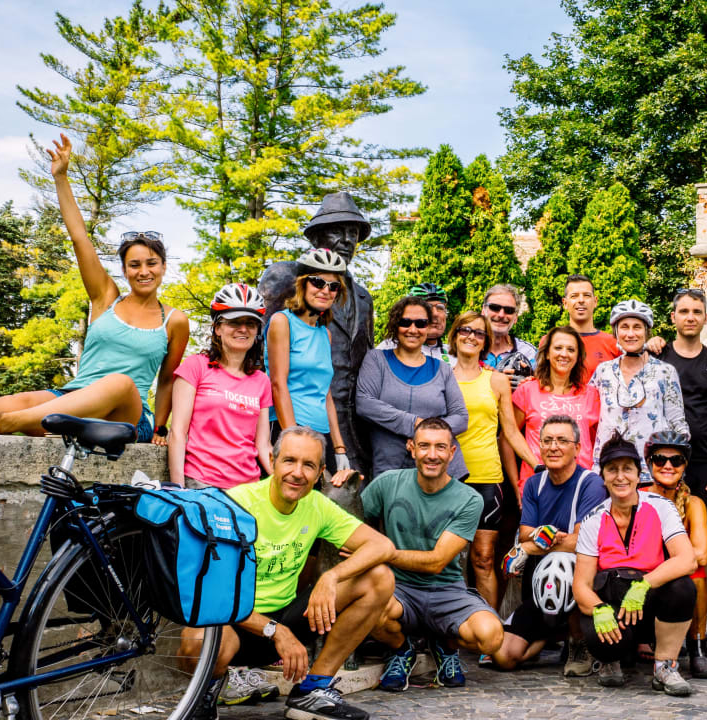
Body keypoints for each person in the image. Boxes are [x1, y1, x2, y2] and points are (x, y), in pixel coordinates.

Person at [0, 134, 188, 441]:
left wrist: (162, 428)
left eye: (151, 263)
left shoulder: (175, 321)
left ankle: (11, 423)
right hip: (69, 398)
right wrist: (61, 177)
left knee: (121, 383)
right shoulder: (106, 297)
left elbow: (167, 381)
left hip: (129, 415)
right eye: (134, 265)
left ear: (163, 267)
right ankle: (11, 416)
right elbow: (80, 239)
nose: (144, 271)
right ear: (125, 271)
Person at [182, 426, 396, 720]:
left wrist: (330, 577)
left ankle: (313, 690)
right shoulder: (237, 504)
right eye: (289, 461)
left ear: (321, 472)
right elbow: (213, 594)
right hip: (236, 624)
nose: (298, 473)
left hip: (289, 618)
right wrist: (274, 630)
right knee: (195, 641)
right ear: (272, 461)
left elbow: (382, 546)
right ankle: (207, 693)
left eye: (308, 465)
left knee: (379, 578)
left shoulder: (317, 505)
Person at [366, 418, 504, 691]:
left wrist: (383, 553)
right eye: (424, 446)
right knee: (365, 606)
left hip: (447, 591)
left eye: (440, 447)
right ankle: (401, 651)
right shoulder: (387, 484)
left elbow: (437, 561)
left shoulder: (469, 498)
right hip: (398, 588)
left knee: (491, 637)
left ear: (452, 452)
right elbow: (352, 521)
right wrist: (341, 486)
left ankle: (445, 644)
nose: (432, 454)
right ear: (412, 448)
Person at [573, 431, 698, 694]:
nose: (620, 476)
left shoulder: (661, 506)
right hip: (613, 605)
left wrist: (644, 584)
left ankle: (665, 666)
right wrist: (598, 609)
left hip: (649, 607)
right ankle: (610, 660)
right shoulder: (592, 520)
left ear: (638, 473)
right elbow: (581, 586)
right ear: (603, 476)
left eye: (627, 469)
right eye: (612, 469)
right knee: (600, 636)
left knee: (683, 587)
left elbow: (687, 560)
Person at [491, 415, 606, 675]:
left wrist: (532, 547)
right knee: (503, 657)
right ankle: (551, 637)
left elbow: (581, 543)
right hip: (540, 589)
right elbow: (524, 534)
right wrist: (540, 539)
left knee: (565, 560)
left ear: (577, 448)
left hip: (578, 592)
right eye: (547, 441)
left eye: (562, 440)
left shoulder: (591, 484)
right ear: (539, 446)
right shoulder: (534, 483)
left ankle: (578, 641)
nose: (553, 447)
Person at [449, 311, 538, 608]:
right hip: (447, 479)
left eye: (479, 333)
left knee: (484, 558)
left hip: (487, 478)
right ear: (454, 334)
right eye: (465, 330)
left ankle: (490, 632)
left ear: (486, 341)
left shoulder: (497, 380)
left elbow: (511, 432)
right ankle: (446, 632)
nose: (471, 337)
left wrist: (538, 465)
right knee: (448, 558)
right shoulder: (440, 375)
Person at [169, 283, 272, 489]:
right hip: (201, 483)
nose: (243, 329)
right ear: (217, 328)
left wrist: (287, 480)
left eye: (251, 323)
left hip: (248, 488)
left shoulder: (262, 381)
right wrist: (178, 490)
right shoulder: (195, 366)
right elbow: (178, 433)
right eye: (235, 322)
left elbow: (262, 445)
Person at [356, 296, 469, 480]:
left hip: (439, 471)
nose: (413, 329)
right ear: (395, 324)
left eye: (421, 323)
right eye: (405, 322)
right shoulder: (376, 360)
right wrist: (414, 423)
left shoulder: (442, 369)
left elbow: (461, 417)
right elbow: (365, 404)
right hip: (391, 470)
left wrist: (426, 436)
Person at [265, 249, 352, 477]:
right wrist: (293, 438)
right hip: (287, 429)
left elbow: (326, 395)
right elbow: (277, 384)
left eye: (333, 286)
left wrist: (339, 448)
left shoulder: (325, 334)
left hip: (320, 436)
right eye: (318, 282)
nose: (326, 290)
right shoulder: (282, 322)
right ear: (302, 285)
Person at [590, 299, 688, 485]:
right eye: (624, 327)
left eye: (637, 327)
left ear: (647, 332)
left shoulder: (665, 372)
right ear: (616, 332)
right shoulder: (603, 371)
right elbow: (584, 412)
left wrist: (676, 466)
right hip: (608, 469)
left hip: (651, 472)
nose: (630, 334)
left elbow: (678, 423)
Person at [645, 430, 707, 679]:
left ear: (684, 465)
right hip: (644, 577)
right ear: (649, 463)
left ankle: (698, 647)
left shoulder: (694, 503)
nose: (667, 465)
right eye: (659, 459)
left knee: (697, 572)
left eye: (676, 461)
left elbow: (702, 554)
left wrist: (670, 566)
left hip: (675, 577)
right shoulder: (638, 496)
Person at [654, 288, 707, 511]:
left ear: (706, 318)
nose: (690, 317)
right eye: (684, 311)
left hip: (705, 461)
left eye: (697, 312)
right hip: (663, 460)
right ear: (673, 317)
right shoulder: (657, 356)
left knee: (705, 530)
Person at [511, 326, 600, 492]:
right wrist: (516, 483)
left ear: (578, 356)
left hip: (581, 486)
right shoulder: (528, 390)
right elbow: (508, 436)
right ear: (547, 353)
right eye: (558, 348)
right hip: (537, 483)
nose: (564, 354)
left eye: (571, 349)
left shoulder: (591, 394)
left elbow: (597, 442)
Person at [561, 274, 620, 383]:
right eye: (574, 296)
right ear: (565, 303)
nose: (581, 300)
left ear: (595, 301)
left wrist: (654, 345)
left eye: (587, 295)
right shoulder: (551, 342)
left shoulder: (614, 343)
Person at [378, 282, 451, 362]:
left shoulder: (455, 353)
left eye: (440, 308)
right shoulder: (388, 348)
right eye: (428, 307)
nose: (435, 313)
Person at [481, 284, 537, 370]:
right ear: (483, 311)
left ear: (515, 317)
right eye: (495, 308)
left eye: (509, 310)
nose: (501, 315)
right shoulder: (465, 348)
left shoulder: (529, 353)